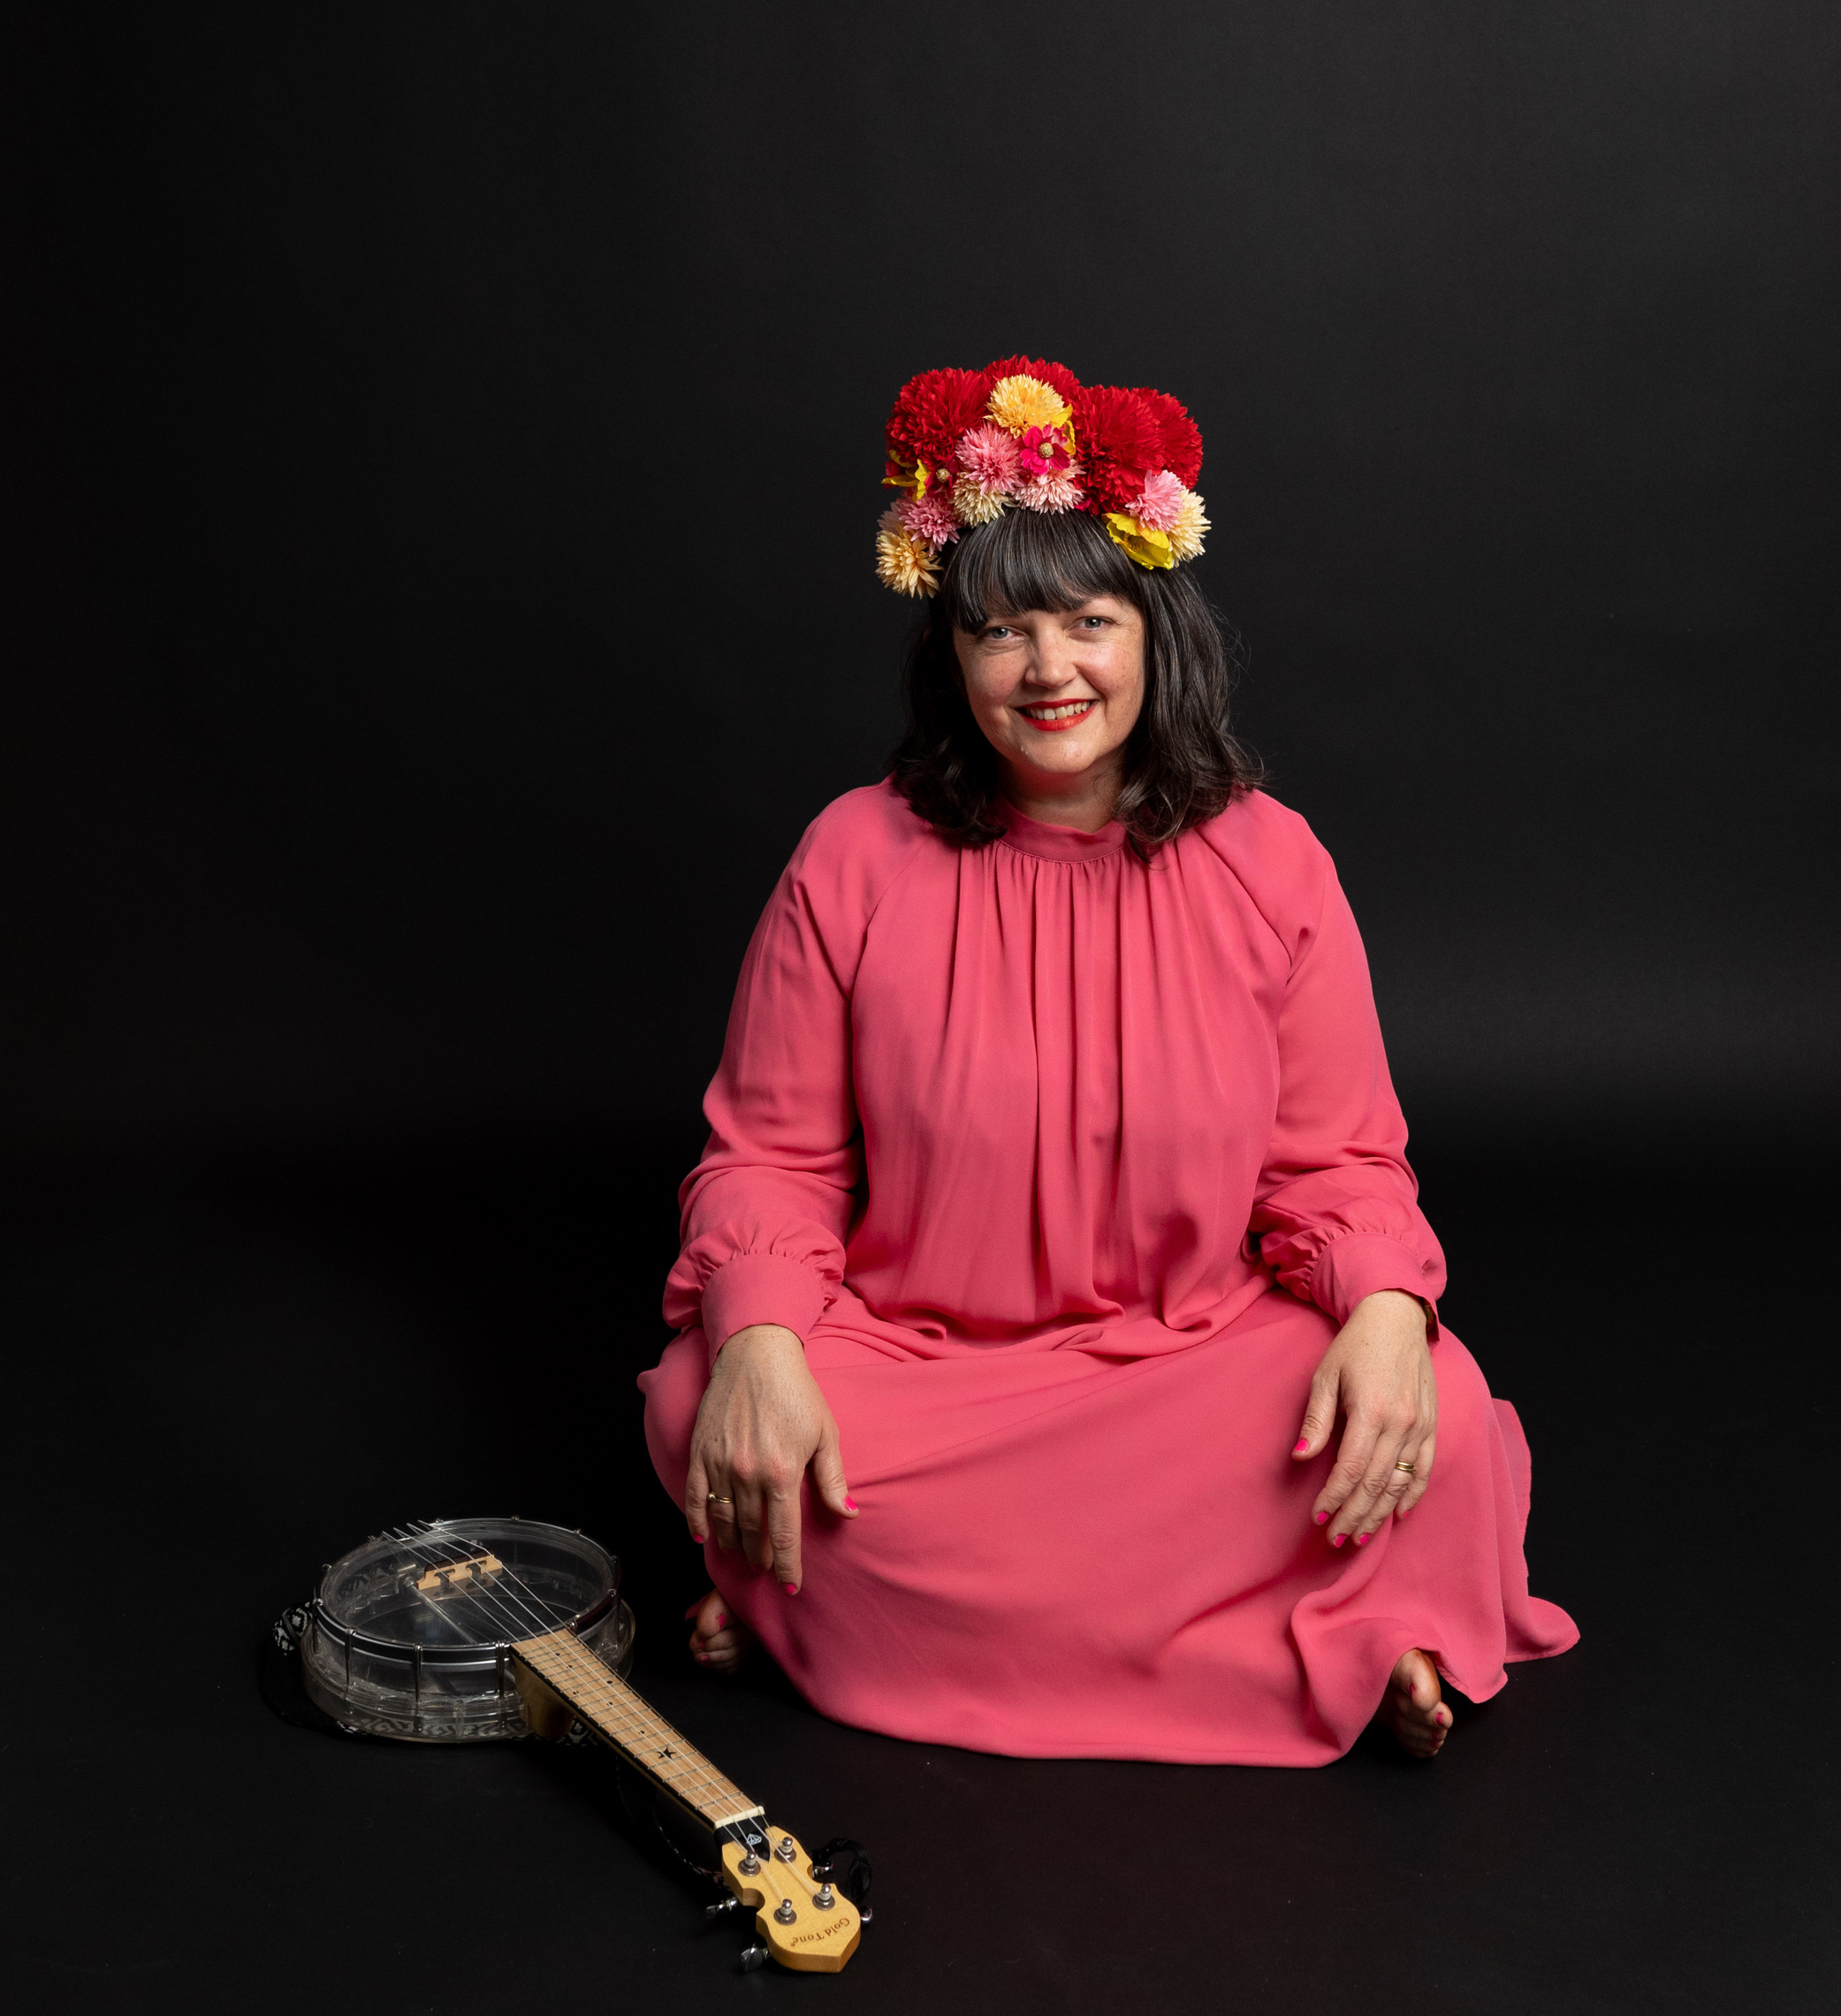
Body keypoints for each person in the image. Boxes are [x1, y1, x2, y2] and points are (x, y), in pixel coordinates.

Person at [640, 356, 1575, 1765]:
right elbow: (769, 1160)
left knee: (1426, 1398)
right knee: (701, 1393)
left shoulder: (1273, 862)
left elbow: (1337, 1162)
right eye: (1002, 631)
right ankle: (1311, 1635)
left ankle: (829, 1616)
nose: (1049, 670)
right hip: (924, 1369)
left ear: (1155, 633)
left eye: (1089, 621)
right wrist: (766, 1342)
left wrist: (1386, 1308)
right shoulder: (853, 858)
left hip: (1190, 1362)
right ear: (952, 658)